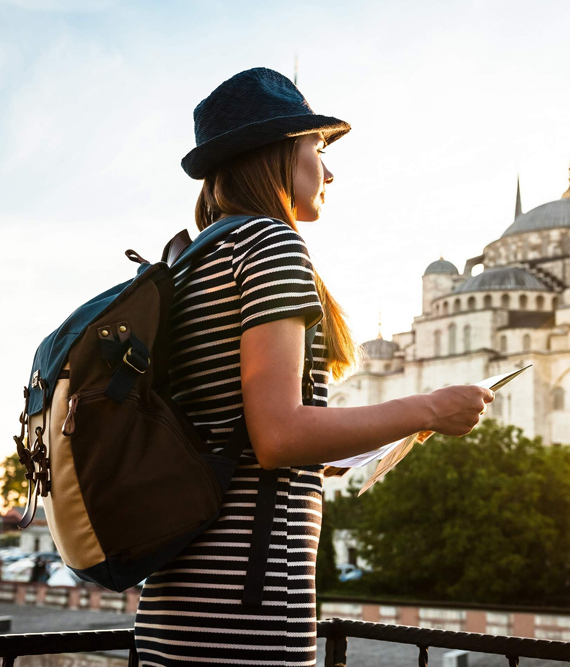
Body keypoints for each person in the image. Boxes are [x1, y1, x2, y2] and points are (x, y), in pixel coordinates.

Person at [132, 68, 493, 667]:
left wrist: (364, 436)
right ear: (276, 156)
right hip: (247, 608)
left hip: (176, 603)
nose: (328, 171)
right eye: (316, 149)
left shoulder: (192, 260)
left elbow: (235, 434)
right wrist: (431, 407)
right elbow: (277, 437)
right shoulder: (269, 245)